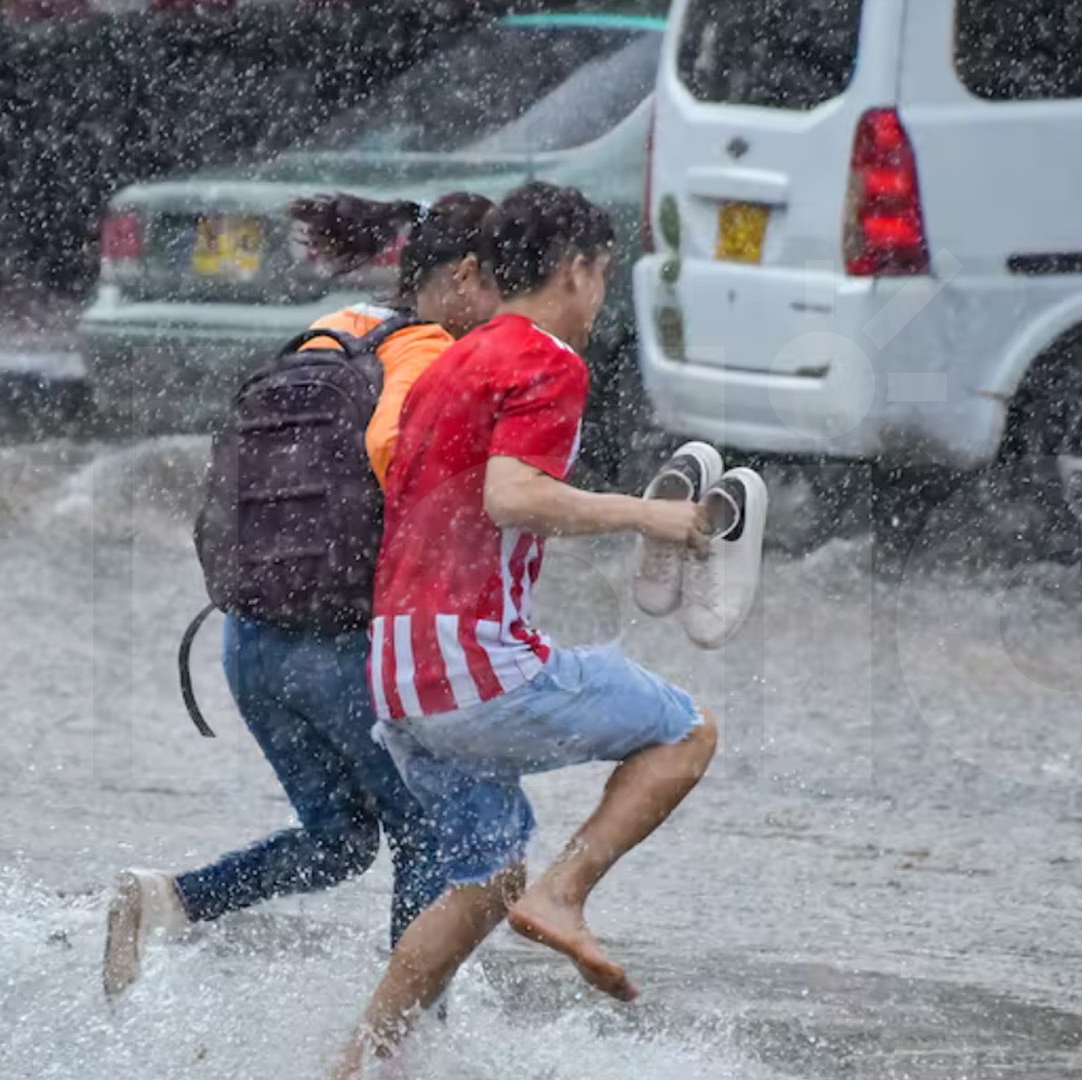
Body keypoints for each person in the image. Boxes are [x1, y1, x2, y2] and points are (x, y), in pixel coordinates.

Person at [332, 182, 723, 1076]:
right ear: (575, 269)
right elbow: (512, 495)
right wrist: (649, 518)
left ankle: (359, 1063)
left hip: (396, 676)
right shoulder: (546, 360)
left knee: (484, 878)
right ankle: (568, 892)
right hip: (473, 670)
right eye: (602, 274)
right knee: (688, 732)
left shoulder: (449, 363)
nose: (600, 295)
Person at [102, 192, 502, 1001]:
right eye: (501, 286)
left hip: (250, 641)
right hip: (341, 650)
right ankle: (407, 1040)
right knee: (430, 832)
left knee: (342, 840)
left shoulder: (332, 329)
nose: (503, 310)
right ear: (464, 278)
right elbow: (395, 452)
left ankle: (169, 899)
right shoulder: (425, 350)